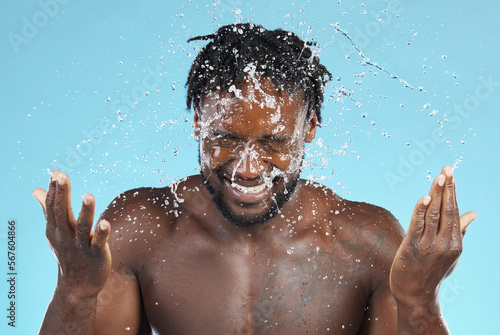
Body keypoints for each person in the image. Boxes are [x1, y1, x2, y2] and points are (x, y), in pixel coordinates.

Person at [33, 23, 476, 334]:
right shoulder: (140, 227)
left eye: (274, 142)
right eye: (224, 139)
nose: (247, 169)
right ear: (196, 124)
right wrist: (73, 291)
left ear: (311, 128)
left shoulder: (366, 240)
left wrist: (419, 302)